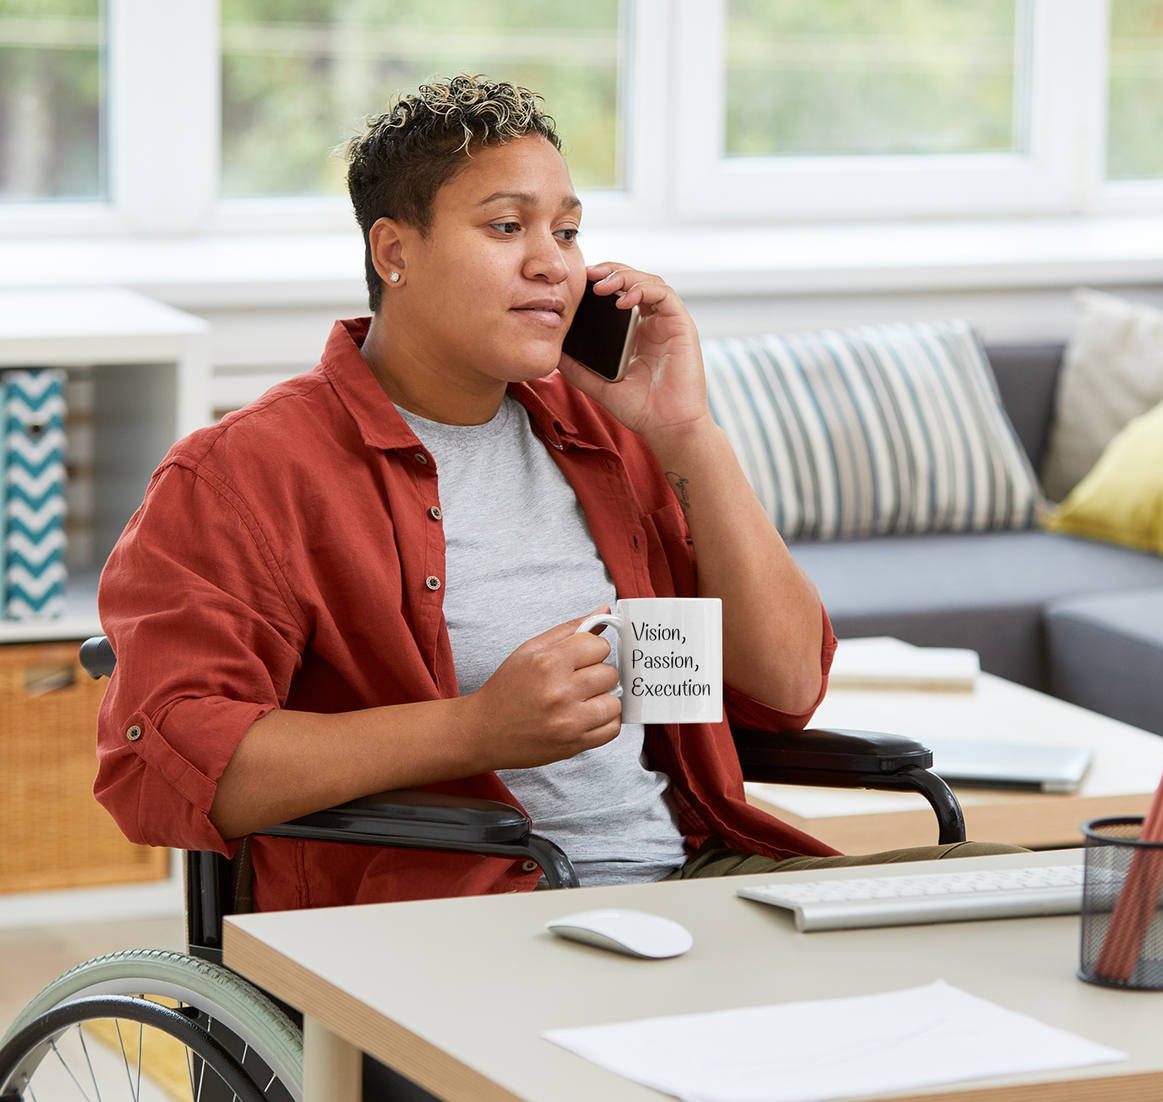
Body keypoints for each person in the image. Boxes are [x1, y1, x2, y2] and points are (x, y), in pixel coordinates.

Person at [94, 74, 1016, 911]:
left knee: (1018, 914)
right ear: (393, 252)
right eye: (506, 227)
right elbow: (169, 763)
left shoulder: (600, 435)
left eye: (567, 232)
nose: (553, 264)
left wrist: (685, 431)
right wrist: (474, 730)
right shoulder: (241, 475)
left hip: (688, 882)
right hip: (460, 914)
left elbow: (783, 684)